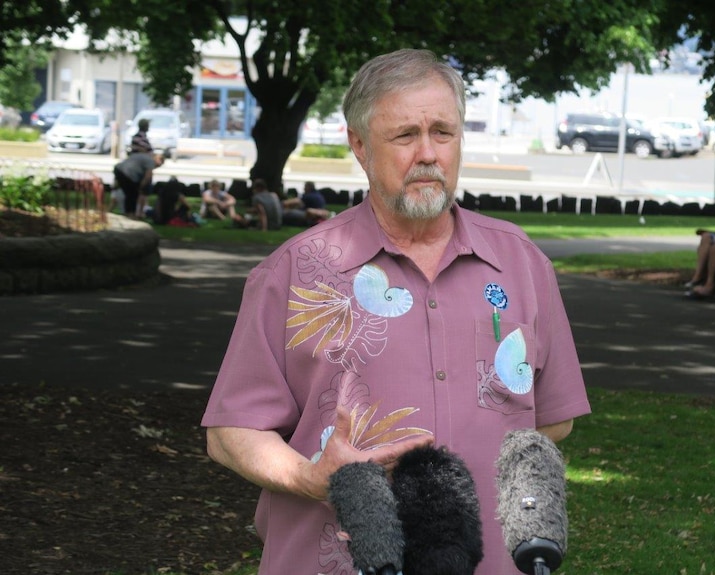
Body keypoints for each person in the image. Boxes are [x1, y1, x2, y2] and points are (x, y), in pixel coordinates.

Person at [201, 48, 591, 575]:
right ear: (359, 145)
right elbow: (230, 433)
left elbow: (555, 420)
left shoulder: (521, 264)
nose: (428, 153)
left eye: (443, 133)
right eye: (405, 135)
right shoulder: (296, 271)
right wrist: (309, 478)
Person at [112, 152, 164, 217]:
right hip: (129, 174)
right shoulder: (151, 161)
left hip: (118, 170)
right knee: (133, 195)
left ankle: (127, 213)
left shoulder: (142, 156)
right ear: (158, 160)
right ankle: (131, 214)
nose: (156, 167)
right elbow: (148, 176)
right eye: (158, 166)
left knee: (128, 194)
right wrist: (141, 186)